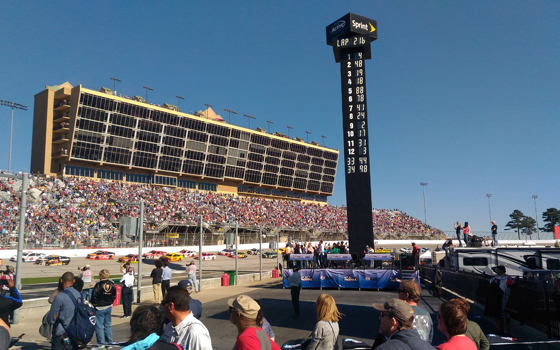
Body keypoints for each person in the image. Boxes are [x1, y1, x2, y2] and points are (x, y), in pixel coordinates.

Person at [160, 286, 212, 350]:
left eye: (163, 303)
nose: (161, 307)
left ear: (171, 306)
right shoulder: (168, 328)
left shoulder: (196, 332)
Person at [47, 272, 81, 350]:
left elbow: (51, 318)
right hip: (75, 332)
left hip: (61, 332)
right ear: (74, 281)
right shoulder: (79, 295)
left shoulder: (60, 297)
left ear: (61, 280)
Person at [91, 269, 117, 350]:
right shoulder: (112, 285)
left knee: (99, 326)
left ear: (101, 276)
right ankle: (109, 342)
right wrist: (110, 302)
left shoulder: (98, 285)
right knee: (107, 325)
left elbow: (94, 296)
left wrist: (94, 304)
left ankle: (101, 344)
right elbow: (114, 296)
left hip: (99, 307)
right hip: (108, 306)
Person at [483, 265, 513, 335]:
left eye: (499, 270)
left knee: (499, 313)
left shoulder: (506, 278)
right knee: (495, 315)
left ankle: (504, 325)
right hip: (493, 299)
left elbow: (510, 284)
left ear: (502, 270)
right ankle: (499, 329)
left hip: (502, 297)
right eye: (497, 270)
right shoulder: (494, 278)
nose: (497, 271)